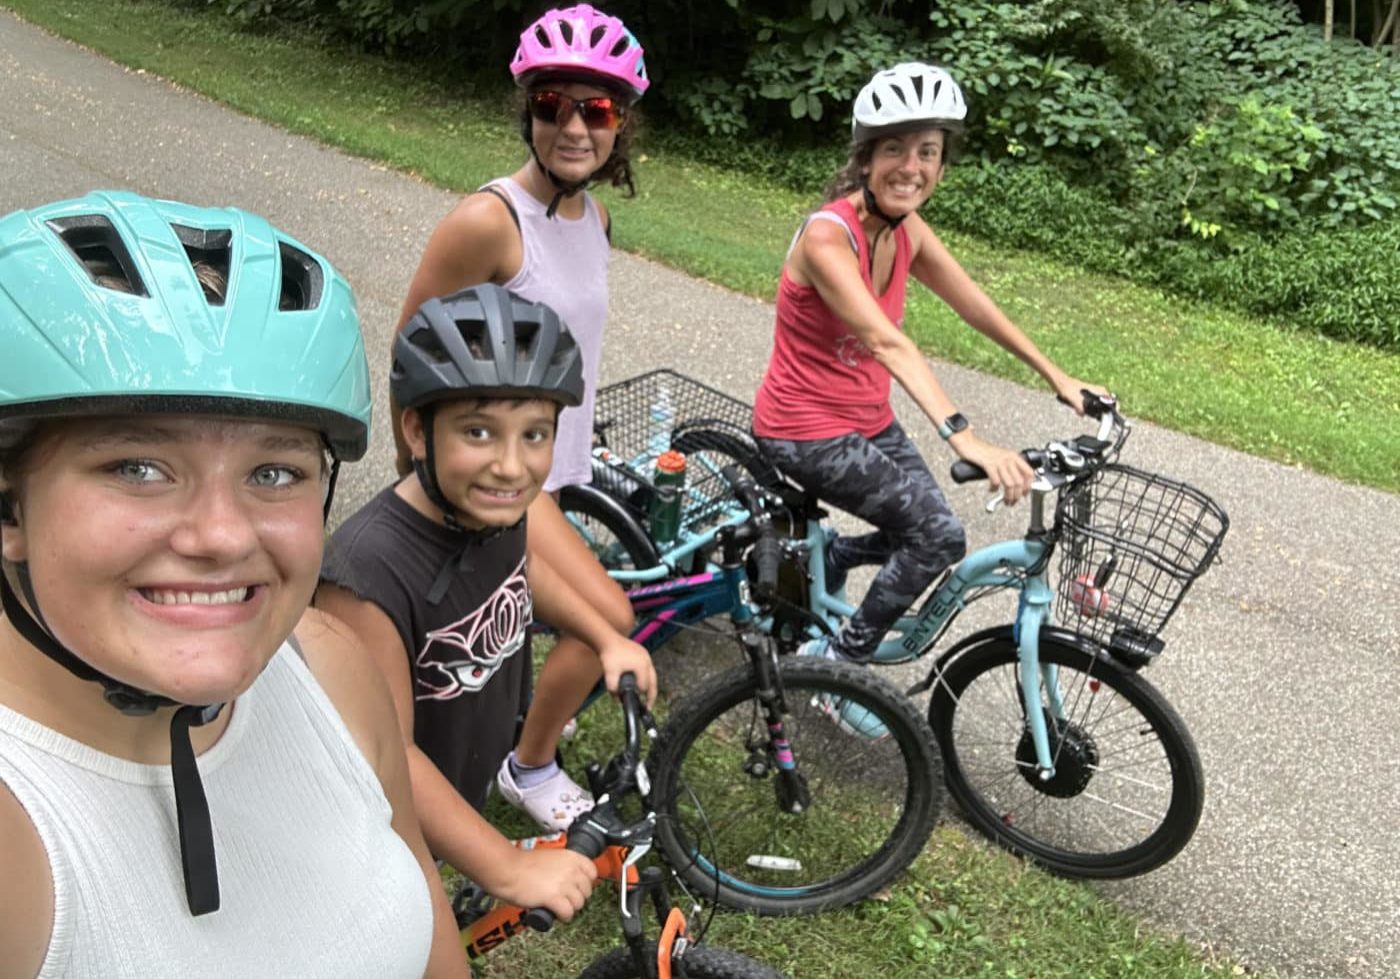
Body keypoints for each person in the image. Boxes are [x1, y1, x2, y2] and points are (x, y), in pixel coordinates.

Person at [0, 191, 469, 977]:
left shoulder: (326, 666)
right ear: (9, 504)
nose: (221, 535)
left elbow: (423, 916)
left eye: (275, 470)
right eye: (137, 467)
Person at [752, 64, 1109, 715]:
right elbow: (890, 343)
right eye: (894, 148)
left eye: (927, 152)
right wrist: (964, 433)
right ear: (865, 156)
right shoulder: (829, 236)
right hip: (803, 428)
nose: (910, 166)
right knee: (939, 536)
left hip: (866, 417)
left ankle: (831, 551)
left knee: (927, 532)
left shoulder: (906, 229)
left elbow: (975, 305)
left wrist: (1058, 375)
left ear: (942, 165)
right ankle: (838, 665)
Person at [316, 283, 657, 924]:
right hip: (380, 837)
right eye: (479, 431)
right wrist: (506, 865)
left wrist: (604, 637)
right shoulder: (366, 574)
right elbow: (385, 750)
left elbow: (519, 572)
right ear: (418, 429)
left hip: (455, 792)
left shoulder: (493, 512)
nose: (511, 465)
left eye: (535, 435)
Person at [389, 3, 649, 829]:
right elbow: (411, 349)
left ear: (619, 126)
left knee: (555, 625)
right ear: (529, 112)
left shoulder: (593, 217)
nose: (574, 126)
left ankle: (522, 735)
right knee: (607, 622)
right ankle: (529, 767)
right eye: (553, 105)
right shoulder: (488, 221)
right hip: (498, 480)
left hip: (553, 466)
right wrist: (432, 477)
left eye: (596, 109)